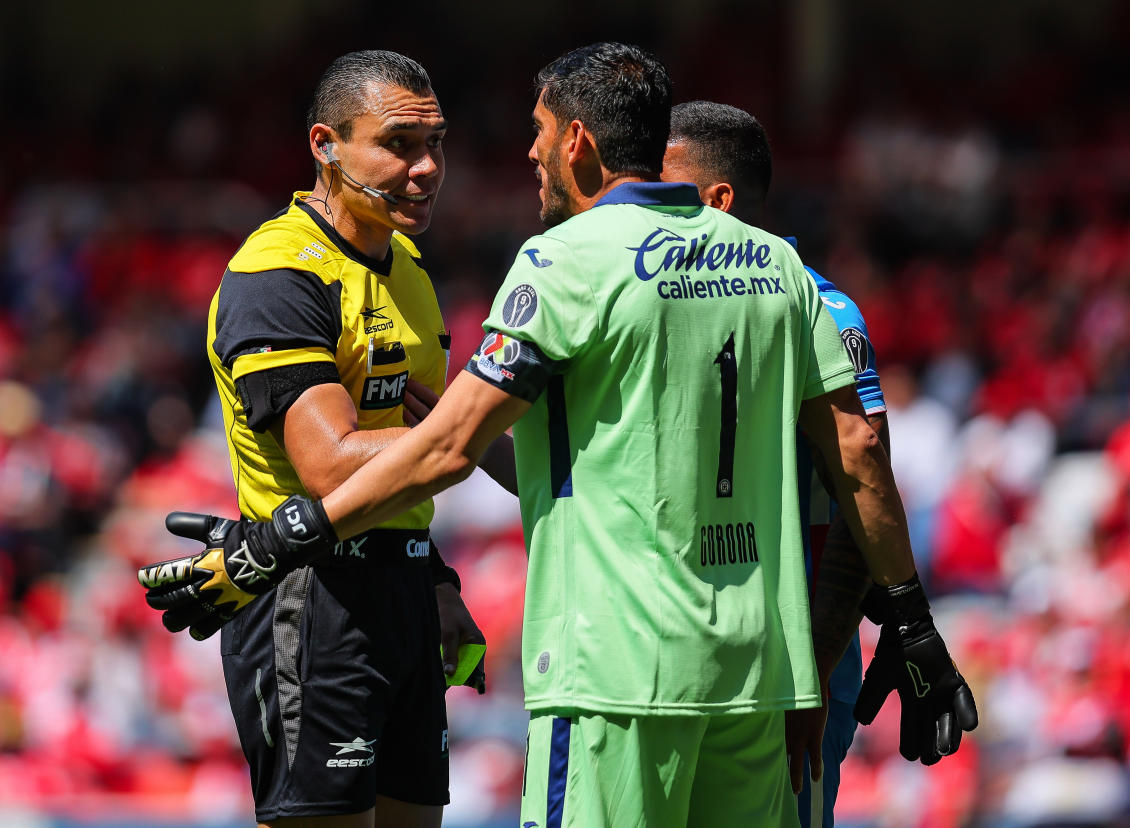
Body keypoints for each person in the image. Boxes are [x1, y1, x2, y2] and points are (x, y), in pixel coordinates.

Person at [140, 42, 974, 828]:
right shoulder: (776, 265)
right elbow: (859, 452)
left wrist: (279, 541)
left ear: (578, 142)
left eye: (537, 137)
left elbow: (450, 446)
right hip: (758, 672)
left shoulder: (561, 261)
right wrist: (911, 620)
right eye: (407, 142)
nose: (525, 158)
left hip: (617, 672)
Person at [139, 50, 491, 828]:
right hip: (311, 597)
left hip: (399, 593)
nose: (428, 168)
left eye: (436, 144)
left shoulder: (408, 267)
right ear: (325, 145)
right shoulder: (277, 273)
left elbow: (407, 433)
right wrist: (459, 435)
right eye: (398, 145)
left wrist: (430, 576)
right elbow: (332, 462)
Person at [659, 101, 948, 828]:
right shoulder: (659, 306)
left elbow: (862, 483)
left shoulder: (820, 309)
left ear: (716, 199)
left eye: (661, 186)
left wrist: (813, 672)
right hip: (681, 652)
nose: (641, 207)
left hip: (789, 669)